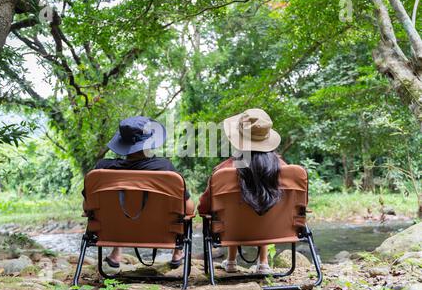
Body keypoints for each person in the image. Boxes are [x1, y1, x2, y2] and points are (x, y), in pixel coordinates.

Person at [86, 116, 195, 269]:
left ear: (122, 142)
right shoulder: (165, 169)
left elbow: (87, 207)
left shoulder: (101, 170)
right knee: (184, 212)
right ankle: (177, 252)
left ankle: (116, 252)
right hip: (161, 232)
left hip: (115, 232)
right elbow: (189, 209)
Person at [198, 108, 286, 274]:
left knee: (232, 208)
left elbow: (204, 208)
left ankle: (231, 261)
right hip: (273, 229)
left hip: (232, 229)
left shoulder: (222, 172)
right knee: (265, 201)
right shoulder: (286, 171)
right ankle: (263, 263)